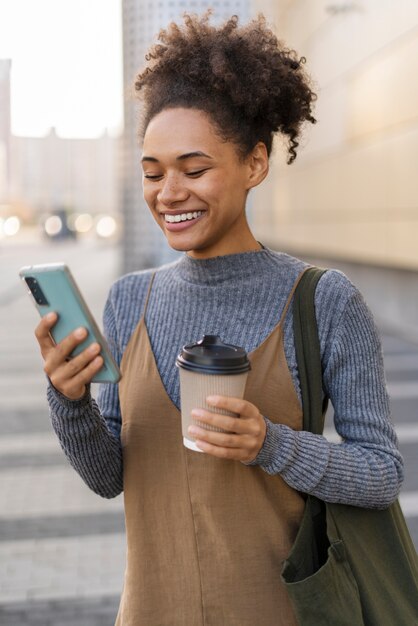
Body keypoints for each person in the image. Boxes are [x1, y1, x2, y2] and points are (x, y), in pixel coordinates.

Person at [34, 13, 404, 626]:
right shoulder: (130, 300)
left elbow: (380, 475)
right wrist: (67, 400)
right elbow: (108, 477)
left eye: (194, 169)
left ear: (255, 164)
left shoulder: (324, 300)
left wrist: (272, 444)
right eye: (152, 173)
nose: (168, 192)